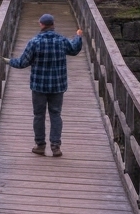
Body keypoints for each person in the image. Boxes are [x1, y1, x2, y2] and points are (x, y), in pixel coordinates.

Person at [8, 13, 83, 157]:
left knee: (39, 115)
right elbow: (74, 49)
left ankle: (40, 146)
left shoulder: (34, 42)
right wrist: (78, 36)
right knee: (56, 115)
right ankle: (55, 147)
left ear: (41, 24)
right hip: (57, 86)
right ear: (53, 24)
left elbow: (22, 63)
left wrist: (9, 61)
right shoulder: (61, 40)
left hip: (39, 87)